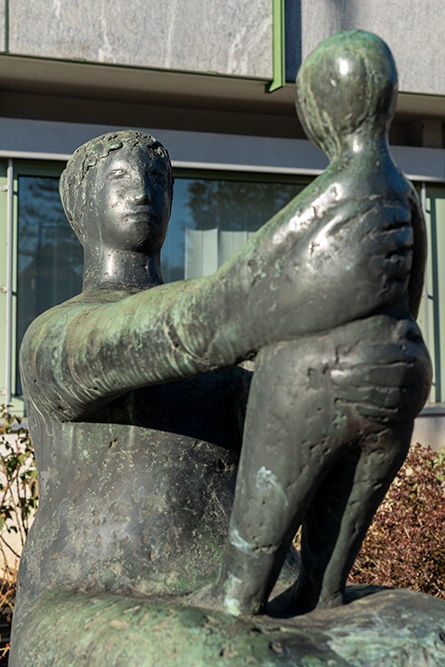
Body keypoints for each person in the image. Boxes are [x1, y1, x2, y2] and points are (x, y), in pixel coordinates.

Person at [10, 91, 429, 662]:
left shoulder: (226, 358)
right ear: (81, 203)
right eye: (120, 177)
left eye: (157, 180)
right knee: (229, 655)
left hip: (258, 589)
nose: (142, 191)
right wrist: (279, 287)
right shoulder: (56, 335)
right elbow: (161, 331)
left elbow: (302, 430)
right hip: (97, 594)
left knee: (425, 628)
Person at [190, 30, 432, 617]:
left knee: (253, 551)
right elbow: (413, 289)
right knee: (327, 572)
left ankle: (236, 596)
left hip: (317, 379)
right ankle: (318, 592)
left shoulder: (328, 196)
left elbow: (249, 292)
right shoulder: (406, 196)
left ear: (321, 108)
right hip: (399, 374)